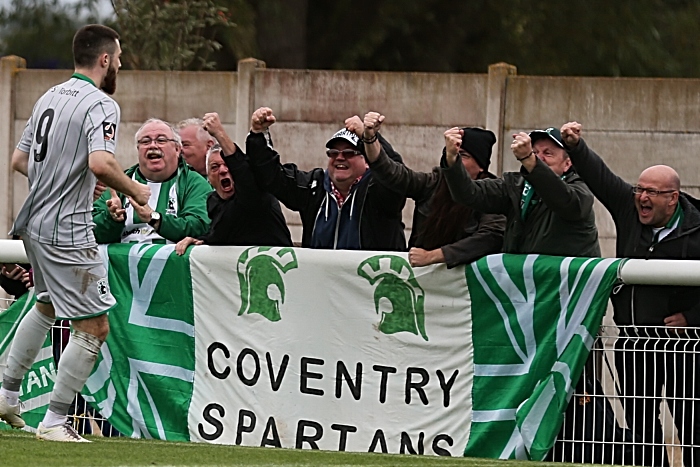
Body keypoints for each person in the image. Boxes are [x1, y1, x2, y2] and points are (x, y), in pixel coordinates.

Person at [0, 24, 151, 442]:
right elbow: (101, 163)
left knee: (46, 304)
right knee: (95, 327)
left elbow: (18, 159)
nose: (118, 63)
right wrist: (137, 190)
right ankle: (53, 421)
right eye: (118, 57)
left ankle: (8, 394)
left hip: (32, 221)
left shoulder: (49, 95)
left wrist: (65, 177)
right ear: (105, 59)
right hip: (67, 229)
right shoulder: (100, 103)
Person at [561, 121, 700, 467]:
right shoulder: (629, 210)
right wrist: (576, 146)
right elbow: (601, 177)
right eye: (640, 189)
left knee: (692, 423)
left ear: (673, 198)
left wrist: (693, 318)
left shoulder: (698, 228)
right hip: (634, 343)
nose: (642, 197)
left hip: (685, 346)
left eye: (652, 192)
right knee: (641, 429)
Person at [350, 114, 505, 267]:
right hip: (422, 284)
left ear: (481, 166)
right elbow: (392, 173)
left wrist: (433, 256)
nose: (453, 159)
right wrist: (369, 138)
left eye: (462, 155)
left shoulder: (492, 194)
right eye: (450, 153)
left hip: (465, 288)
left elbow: (491, 237)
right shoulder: (433, 183)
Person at [246, 107, 406, 251]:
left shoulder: (379, 190)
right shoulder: (314, 187)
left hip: (370, 283)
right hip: (322, 283)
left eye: (349, 153)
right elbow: (272, 177)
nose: (340, 158)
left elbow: (397, 177)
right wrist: (258, 134)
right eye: (333, 153)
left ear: (366, 161)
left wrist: (371, 138)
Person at [441, 126, 600, 257]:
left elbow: (567, 203)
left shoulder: (581, 187)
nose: (539, 158)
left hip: (570, 289)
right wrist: (451, 158)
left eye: (548, 153)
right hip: (527, 287)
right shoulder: (516, 186)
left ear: (567, 163)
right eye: (535, 152)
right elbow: (468, 194)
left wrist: (531, 162)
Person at [175, 112, 292, 253]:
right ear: (209, 179)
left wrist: (219, 133)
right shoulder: (213, 202)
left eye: (227, 165)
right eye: (215, 167)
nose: (223, 170)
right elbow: (223, 232)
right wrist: (201, 240)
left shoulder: (257, 194)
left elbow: (243, 173)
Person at [92, 118, 211, 244]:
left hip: (171, 262)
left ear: (177, 149)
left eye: (161, 140)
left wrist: (154, 218)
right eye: (145, 141)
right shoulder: (119, 183)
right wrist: (111, 218)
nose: (153, 145)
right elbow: (90, 232)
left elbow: (200, 228)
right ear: (138, 149)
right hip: (123, 261)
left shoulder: (194, 183)